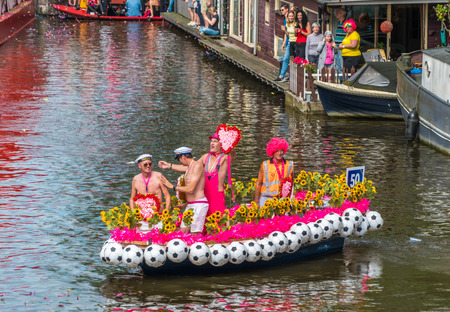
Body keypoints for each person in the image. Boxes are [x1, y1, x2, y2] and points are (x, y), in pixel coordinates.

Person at [158, 132, 233, 217]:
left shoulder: (224, 158)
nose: (212, 143)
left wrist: (230, 144)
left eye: (215, 141)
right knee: (204, 223)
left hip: (216, 195)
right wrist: (169, 165)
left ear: (221, 144)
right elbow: (190, 168)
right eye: (211, 141)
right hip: (204, 194)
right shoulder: (205, 157)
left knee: (217, 222)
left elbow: (232, 156)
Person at [160, 147, 208, 234]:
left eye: (179, 159)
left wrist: (172, 186)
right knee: (183, 232)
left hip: (199, 204)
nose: (180, 162)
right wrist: (168, 165)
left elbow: (191, 189)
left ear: (183, 157)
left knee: (195, 234)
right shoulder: (189, 167)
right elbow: (181, 168)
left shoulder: (197, 166)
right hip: (190, 205)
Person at [254, 138, 293, 207]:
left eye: (281, 150)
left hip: (283, 199)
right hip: (266, 198)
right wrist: (256, 202)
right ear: (273, 152)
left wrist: (290, 199)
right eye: (277, 150)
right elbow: (259, 184)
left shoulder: (289, 165)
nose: (280, 153)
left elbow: (291, 183)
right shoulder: (265, 165)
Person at [274, 4, 290, 82]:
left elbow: (288, 33)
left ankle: (282, 76)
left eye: (282, 10)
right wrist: (284, 43)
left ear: (287, 10)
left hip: (292, 42)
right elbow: (285, 34)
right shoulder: (284, 20)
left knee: (287, 58)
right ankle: (283, 75)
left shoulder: (290, 20)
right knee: (286, 59)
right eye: (281, 10)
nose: (281, 11)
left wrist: (284, 30)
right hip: (287, 42)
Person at [333, 7, 347, 78]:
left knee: (342, 66)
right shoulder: (339, 22)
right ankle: (340, 80)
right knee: (338, 65)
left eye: (338, 12)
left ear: (342, 14)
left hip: (342, 48)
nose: (336, 14)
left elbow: (348, 35)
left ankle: (343, 81)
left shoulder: (346, 23)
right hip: (337, 47)